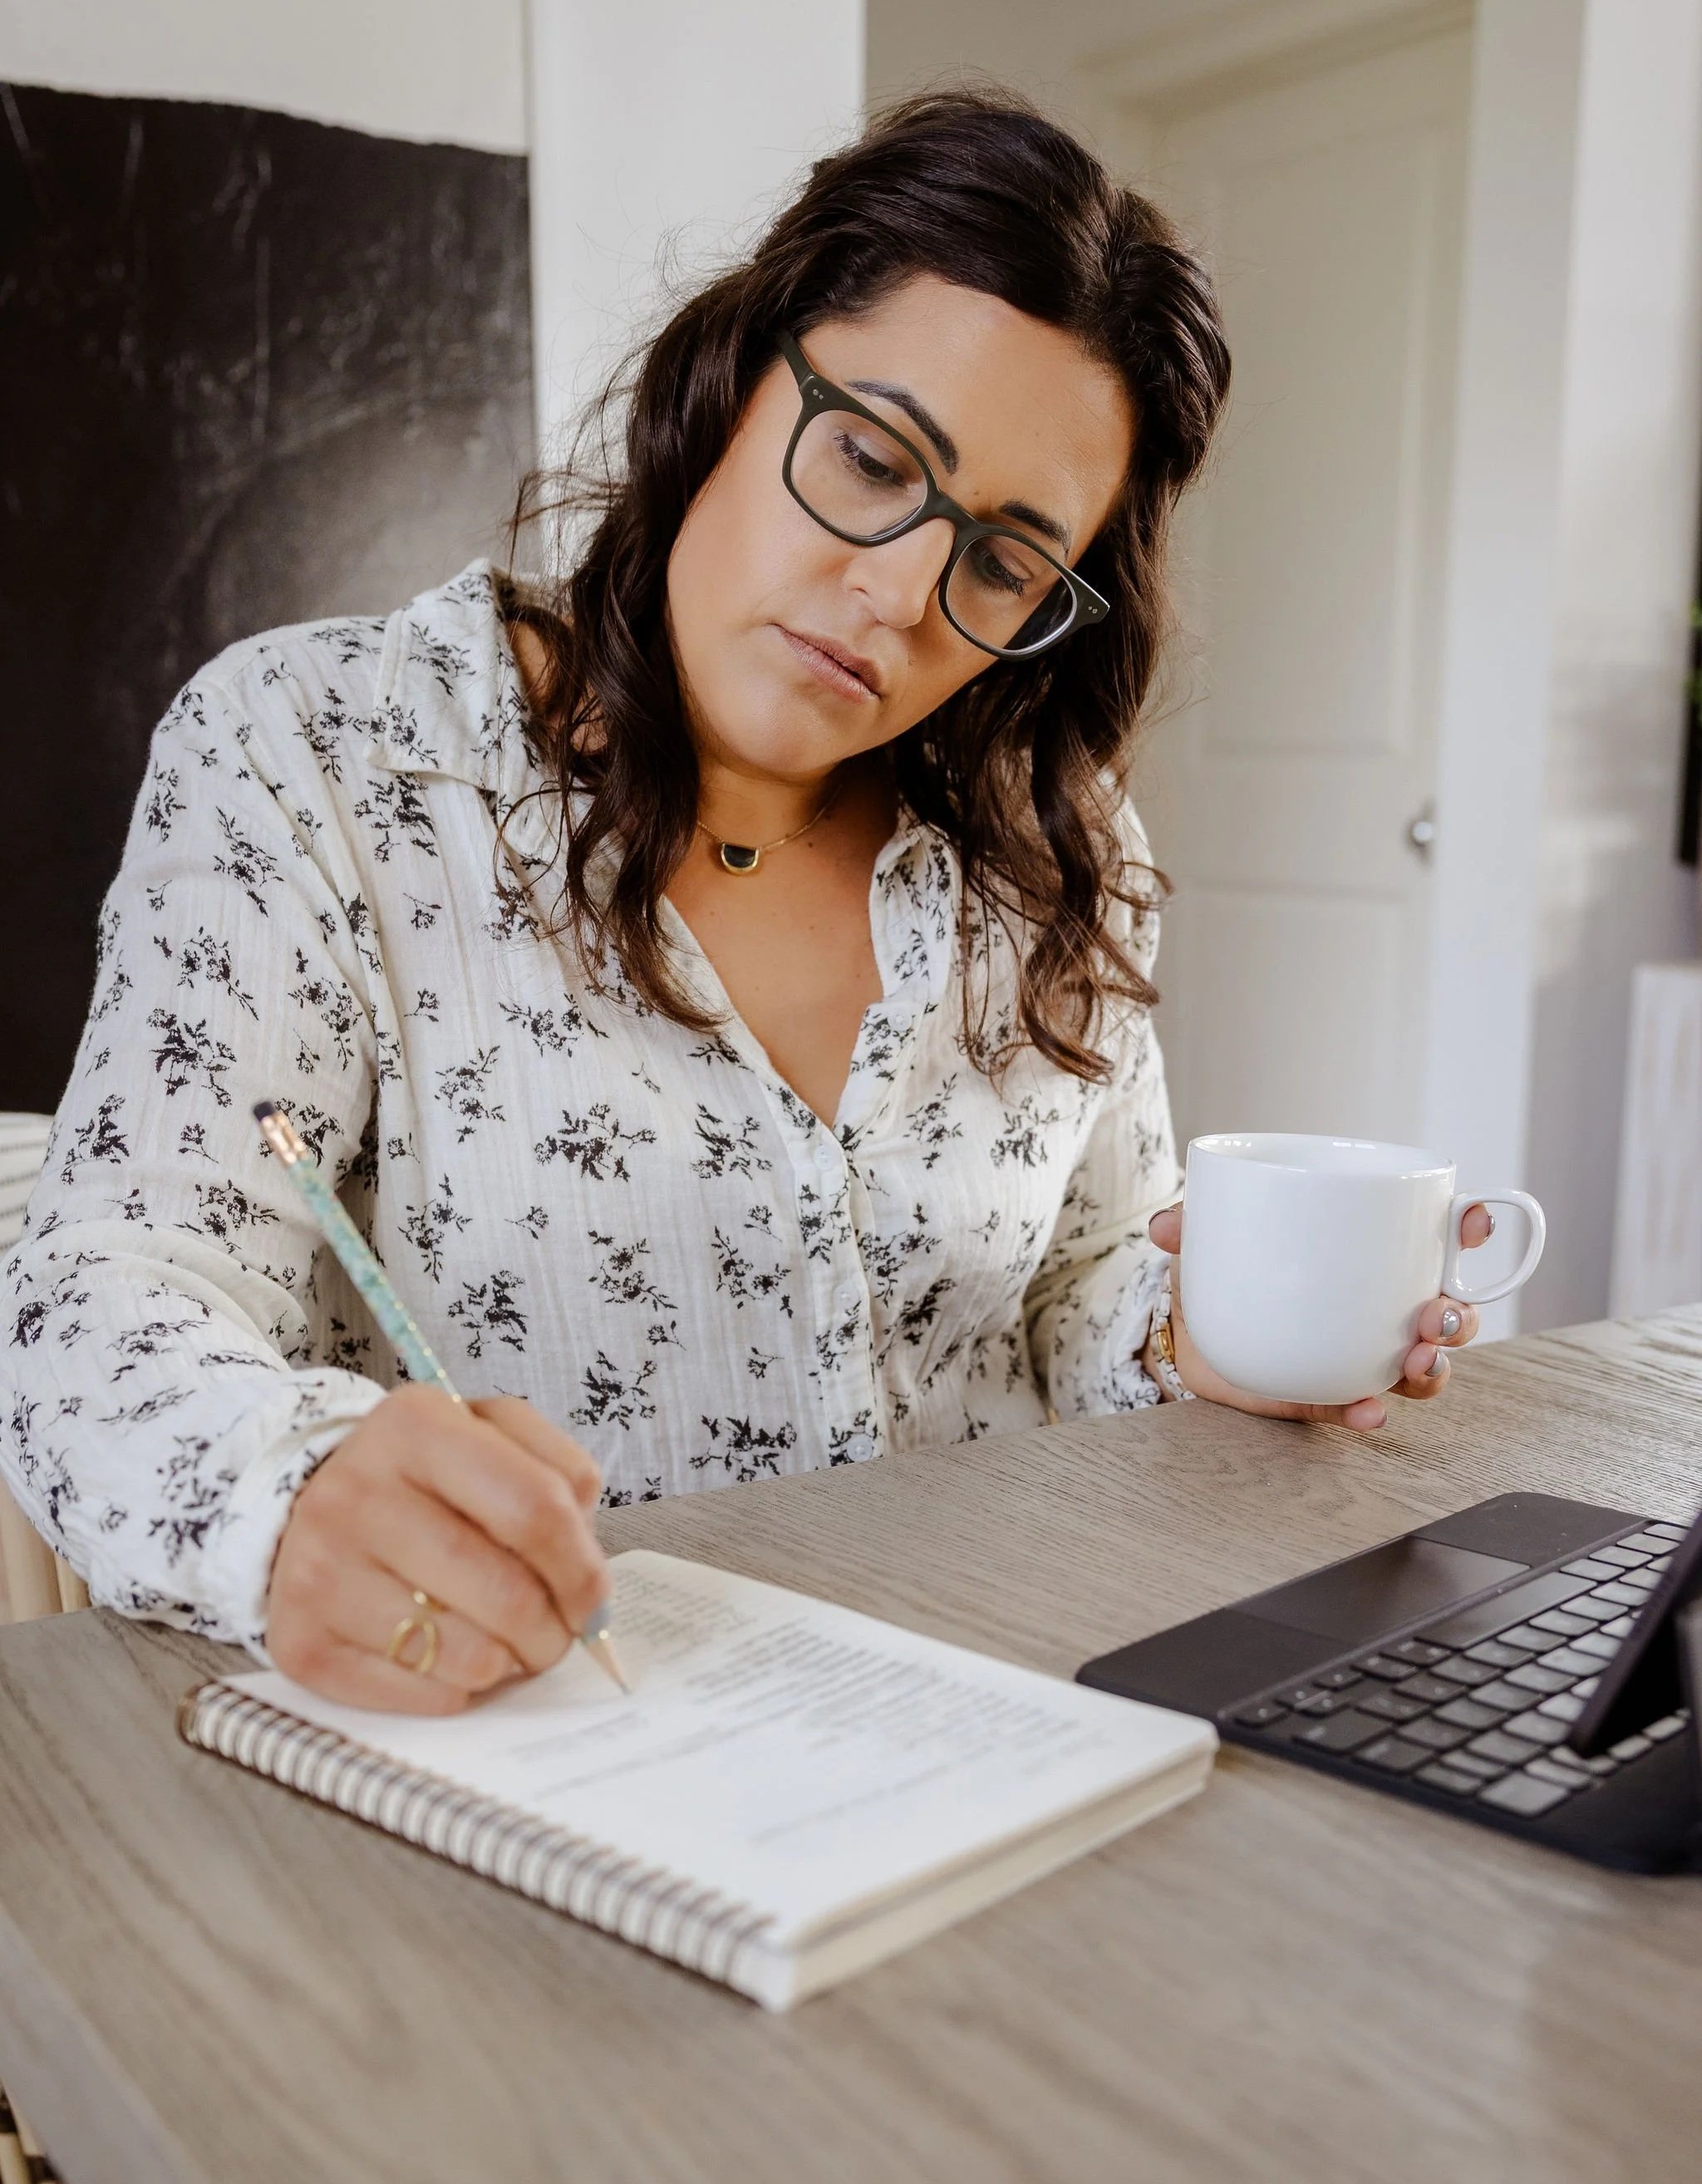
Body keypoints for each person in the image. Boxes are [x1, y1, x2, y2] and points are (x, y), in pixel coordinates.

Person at [0, 88, 1488, 1713]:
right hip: (569, 1739)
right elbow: (105, 1310)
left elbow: (1064, 1301)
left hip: (1016, 1707)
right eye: (868, 456)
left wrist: (1188, 1333)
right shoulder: (321, 755)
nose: (902, 595)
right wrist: (285, 1506)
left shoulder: (1066, 861)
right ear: (730, 378)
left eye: (1002, 562)